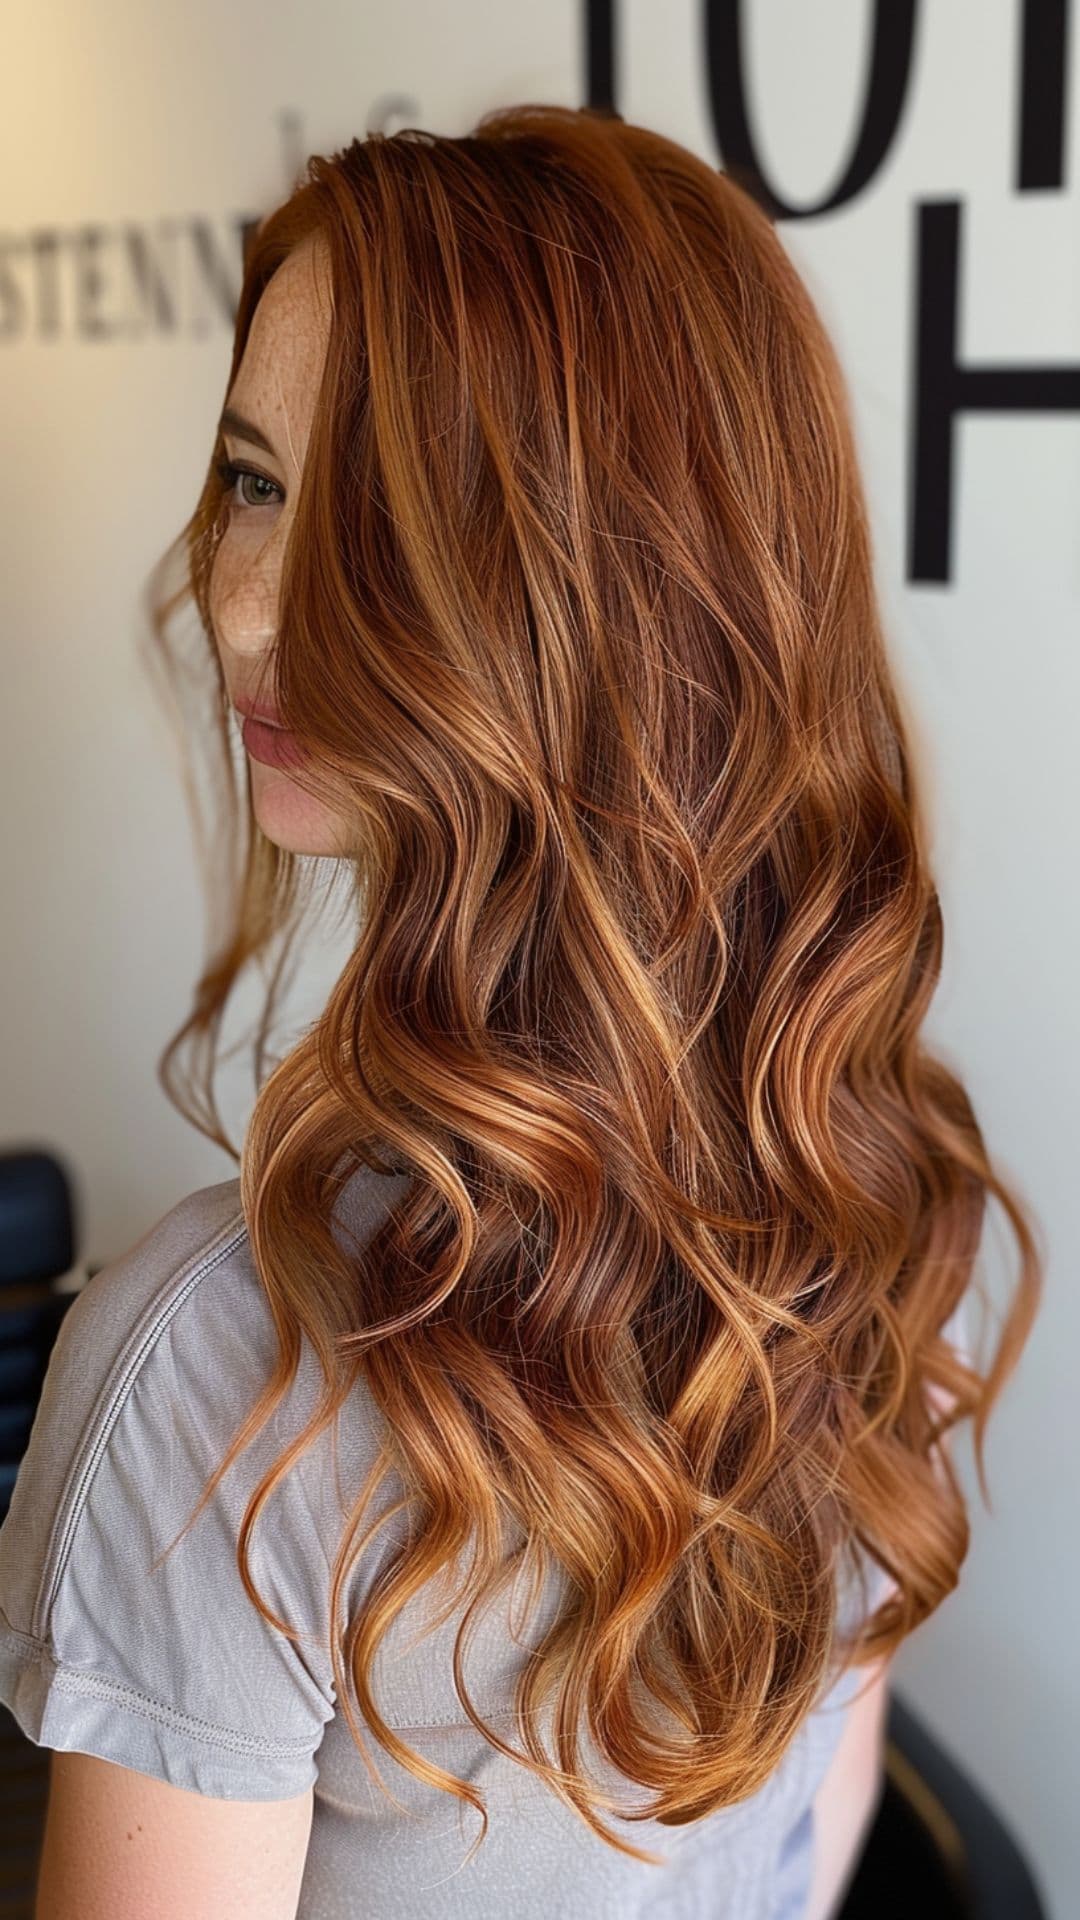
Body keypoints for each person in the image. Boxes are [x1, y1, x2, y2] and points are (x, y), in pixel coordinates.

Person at [0, 104, 1041, 1919]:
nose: (247, 611)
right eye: (253, 482)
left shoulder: (213, 1387)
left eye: (383, 526)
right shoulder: (866, 1183)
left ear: (621, 602)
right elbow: (807, 1863)